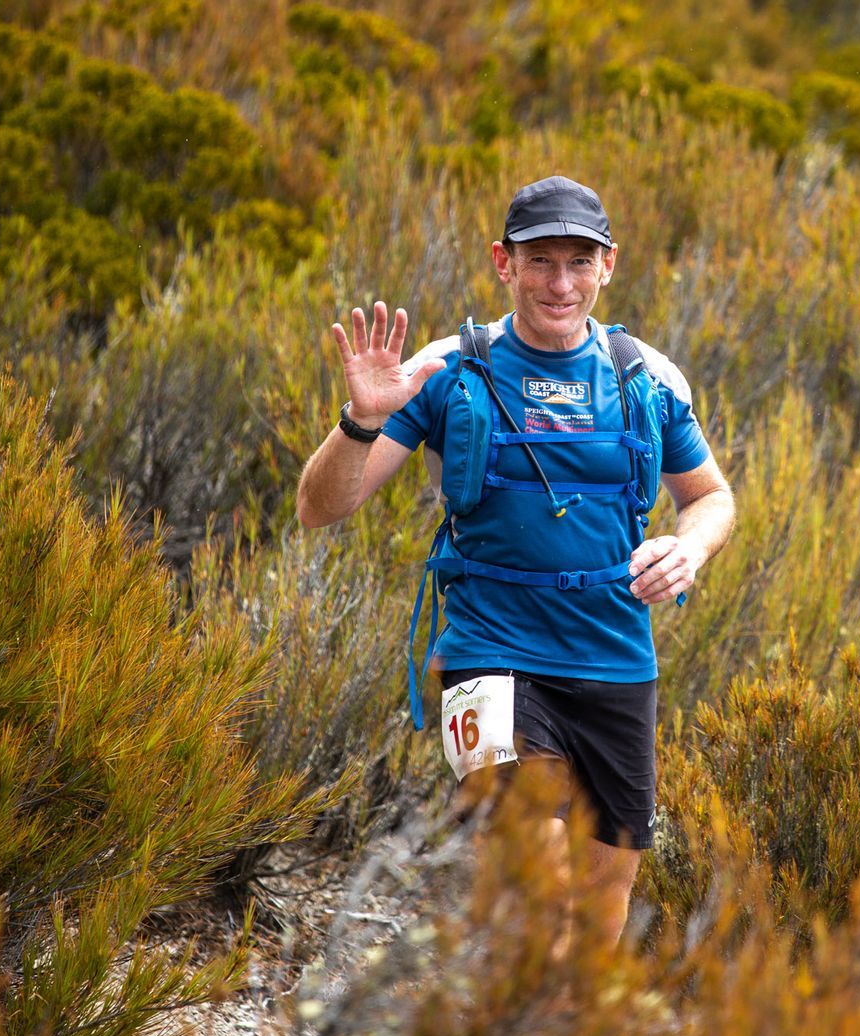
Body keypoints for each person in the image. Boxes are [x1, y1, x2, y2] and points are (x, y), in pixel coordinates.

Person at [295, 174, 736, 948]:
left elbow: (711, 497)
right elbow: (319, 507)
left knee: (602, 904)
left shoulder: (646, 377)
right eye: (540, 262)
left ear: (608, 265)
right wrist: (360, 422)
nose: (559, 284)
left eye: (578, 262)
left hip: (615, 663)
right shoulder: (446, 372)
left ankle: (549, 1017)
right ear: (504, 262)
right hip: (490, 656)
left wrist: (688, 548)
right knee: (537, 870)